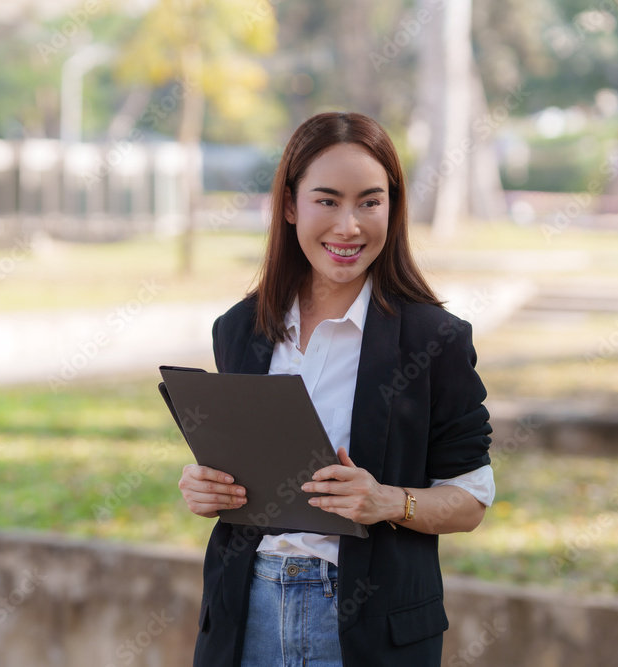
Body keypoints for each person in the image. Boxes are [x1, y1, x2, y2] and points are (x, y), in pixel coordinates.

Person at [177, 111, 494, 666]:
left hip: (366, 629)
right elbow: (241, 471)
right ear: (291, 206)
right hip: (244, 614)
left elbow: (471, 500)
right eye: (328, 201)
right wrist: (207, 489)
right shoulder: (239, 329)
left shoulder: (434, 339)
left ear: (391, 209)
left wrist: (389, 501)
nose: (349, 226)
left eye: (370, 202)